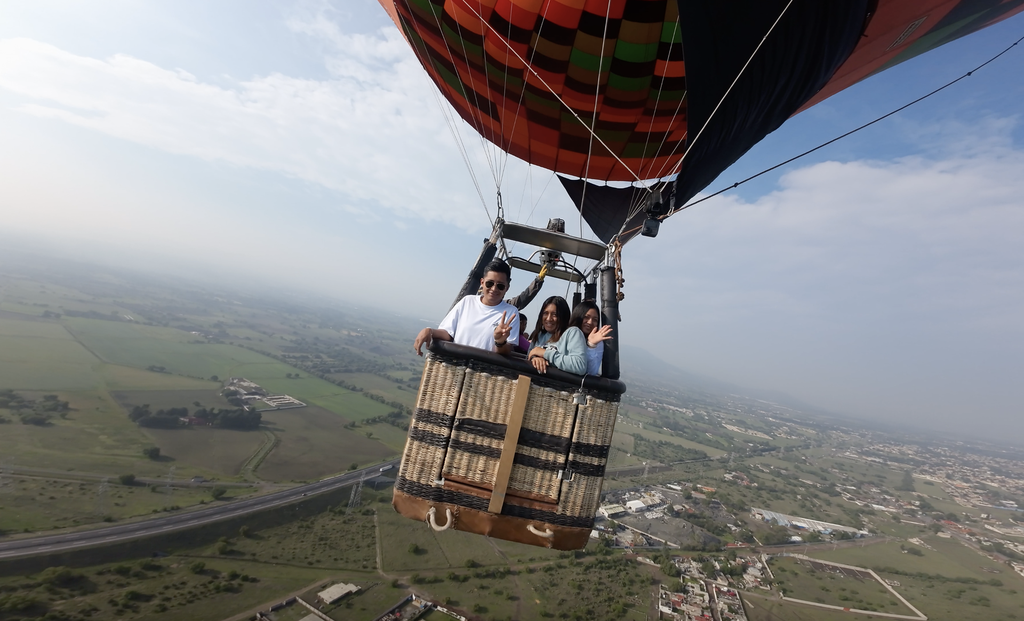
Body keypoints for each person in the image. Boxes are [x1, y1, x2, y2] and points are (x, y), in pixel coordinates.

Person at [413, 260, 519, 356]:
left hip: (484, 373)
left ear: (507, 288)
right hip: (454, 365)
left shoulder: (511, 313)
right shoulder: (467, 302)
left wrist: (500, 342)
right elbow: (448, 333)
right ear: (482, 283)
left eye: (500, 286)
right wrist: (429, 331)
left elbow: (506, 351)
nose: (494, 289)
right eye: (489, 283)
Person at [527, 296, 587, 375]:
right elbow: (529, 356)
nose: (548, 318)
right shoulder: (539, 335)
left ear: (563, 316)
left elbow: (580, 366)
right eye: (545, 313)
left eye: (554, 314)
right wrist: (535, 359)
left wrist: (545, 353)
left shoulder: (572, 333)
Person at [567, 300, 613, 376]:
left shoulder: (598, 342)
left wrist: (591, 345)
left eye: (595, 320)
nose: (590, 322)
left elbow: (591, 372)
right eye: (586, 317)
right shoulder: (567, 334)